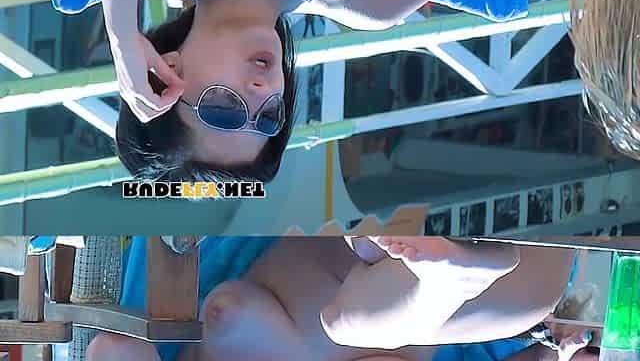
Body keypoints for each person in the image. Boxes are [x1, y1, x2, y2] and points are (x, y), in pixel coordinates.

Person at [78, 0, 599, 184]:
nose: (259, 93)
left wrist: (122, 30)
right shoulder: (372, 0)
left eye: (224, 109)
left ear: (169, 69)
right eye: (267, 118)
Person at [86, 236, 597, 361]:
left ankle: (436, 285)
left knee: (346, 320)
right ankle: (437, 286)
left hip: (363, 247)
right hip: (507, 282)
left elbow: (112, 349)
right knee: (348, 323)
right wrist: (557, 350)